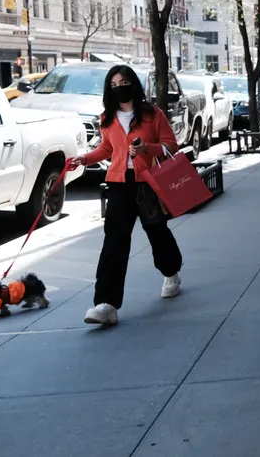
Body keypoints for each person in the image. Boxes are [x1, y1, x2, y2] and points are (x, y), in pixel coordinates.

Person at [70, 65, 183, 326]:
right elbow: (107, 148)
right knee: (114, 242)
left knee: (157, 232)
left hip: (147, 183)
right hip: (119, 183)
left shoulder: (152, 114)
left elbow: (170, 147)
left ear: (132, 84)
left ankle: (171, 272)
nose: (118, 87)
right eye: (112, 85)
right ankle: (106, 304)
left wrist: (146, 148)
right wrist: (85, 159)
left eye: (122, 82)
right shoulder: (107, 118)